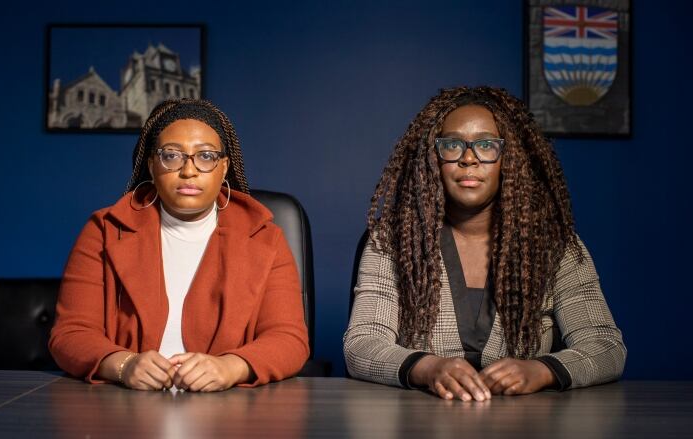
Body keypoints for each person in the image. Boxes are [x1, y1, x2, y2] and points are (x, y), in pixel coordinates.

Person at [344, 86, 626, 401]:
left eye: (486, 145)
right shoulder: (392, 241)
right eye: (451, 145)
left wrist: (541, 371)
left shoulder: (555, 246)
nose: (468, 159)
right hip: (418, 421)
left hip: (525, 424)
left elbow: (605, 347)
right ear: (432, 158)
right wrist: (428, 368)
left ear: (511, 158)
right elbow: (362, 344)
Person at [50, 99, 309, 391]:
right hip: (125, 407)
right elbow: (70, 334)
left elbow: (290, 340)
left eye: (206, 156)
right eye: (172, 156)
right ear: (151, 165)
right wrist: (123, 365)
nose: (189, 171)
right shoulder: (104, 230)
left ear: (224, 167)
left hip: (230, 413)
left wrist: (230, 367)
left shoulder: (265, 237)